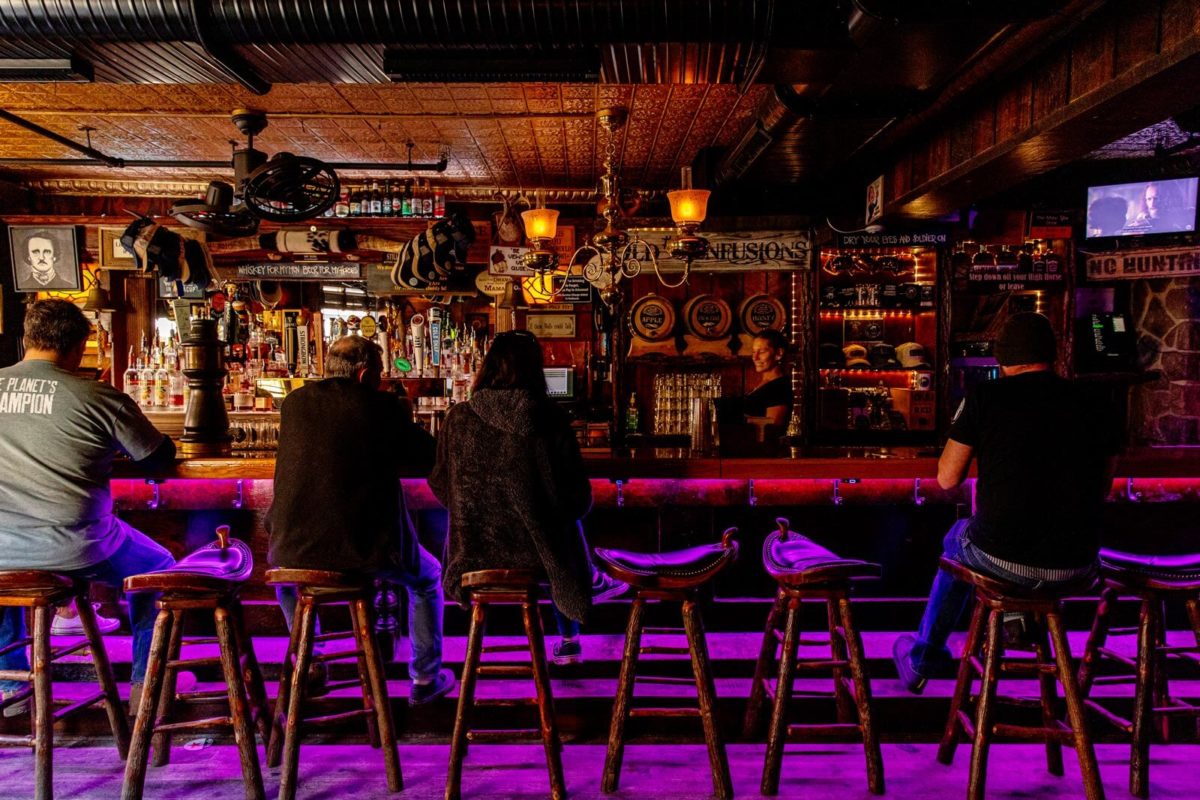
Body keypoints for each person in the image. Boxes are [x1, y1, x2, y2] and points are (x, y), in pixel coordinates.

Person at [892, 313, 1118, 693]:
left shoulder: (986, 396)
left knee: (959, 538)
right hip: (1079, 565)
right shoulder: (1097, 401)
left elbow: (947, 478)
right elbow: (1103, 488)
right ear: (1055, 354)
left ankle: (924, 657)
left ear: (1002, 358)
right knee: (988, 540)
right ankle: (1014, 618)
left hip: (1003, 559)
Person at [0, 299, 177, 716]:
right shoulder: (99, 397)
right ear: (80, 347)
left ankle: (11, 685)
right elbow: (157, 460)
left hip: (3, 551)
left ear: (26, 341)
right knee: (161, 571)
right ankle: (144, 688)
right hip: (76, 547)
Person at [267, 335, 455, 705]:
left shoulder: (294, 403)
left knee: (288, 582)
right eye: (381, 375)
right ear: (366, 374)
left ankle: (312, 660)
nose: (383, 381)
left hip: (288, 552)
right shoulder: (381, 407)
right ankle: (424, 679)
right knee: (429, 577)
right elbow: (428, 458)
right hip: (363, 552)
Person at [429, 330, 624, 665]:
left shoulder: (457, 418)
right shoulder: (549, 417)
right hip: (538, 559)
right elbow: (576, 498)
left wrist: (481, 509)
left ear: (488, 366)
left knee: (551, 522)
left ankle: (575, 607)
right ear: (536, 369)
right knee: (560, 525)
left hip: (473, 557)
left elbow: (441, 486)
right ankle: (571, 632)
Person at [744, 329, 793, 426]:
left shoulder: (779, 388)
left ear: (779, 353)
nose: (755, 357)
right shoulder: (766, 382)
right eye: (754, 352)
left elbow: (773, 427)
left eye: (761, 352)